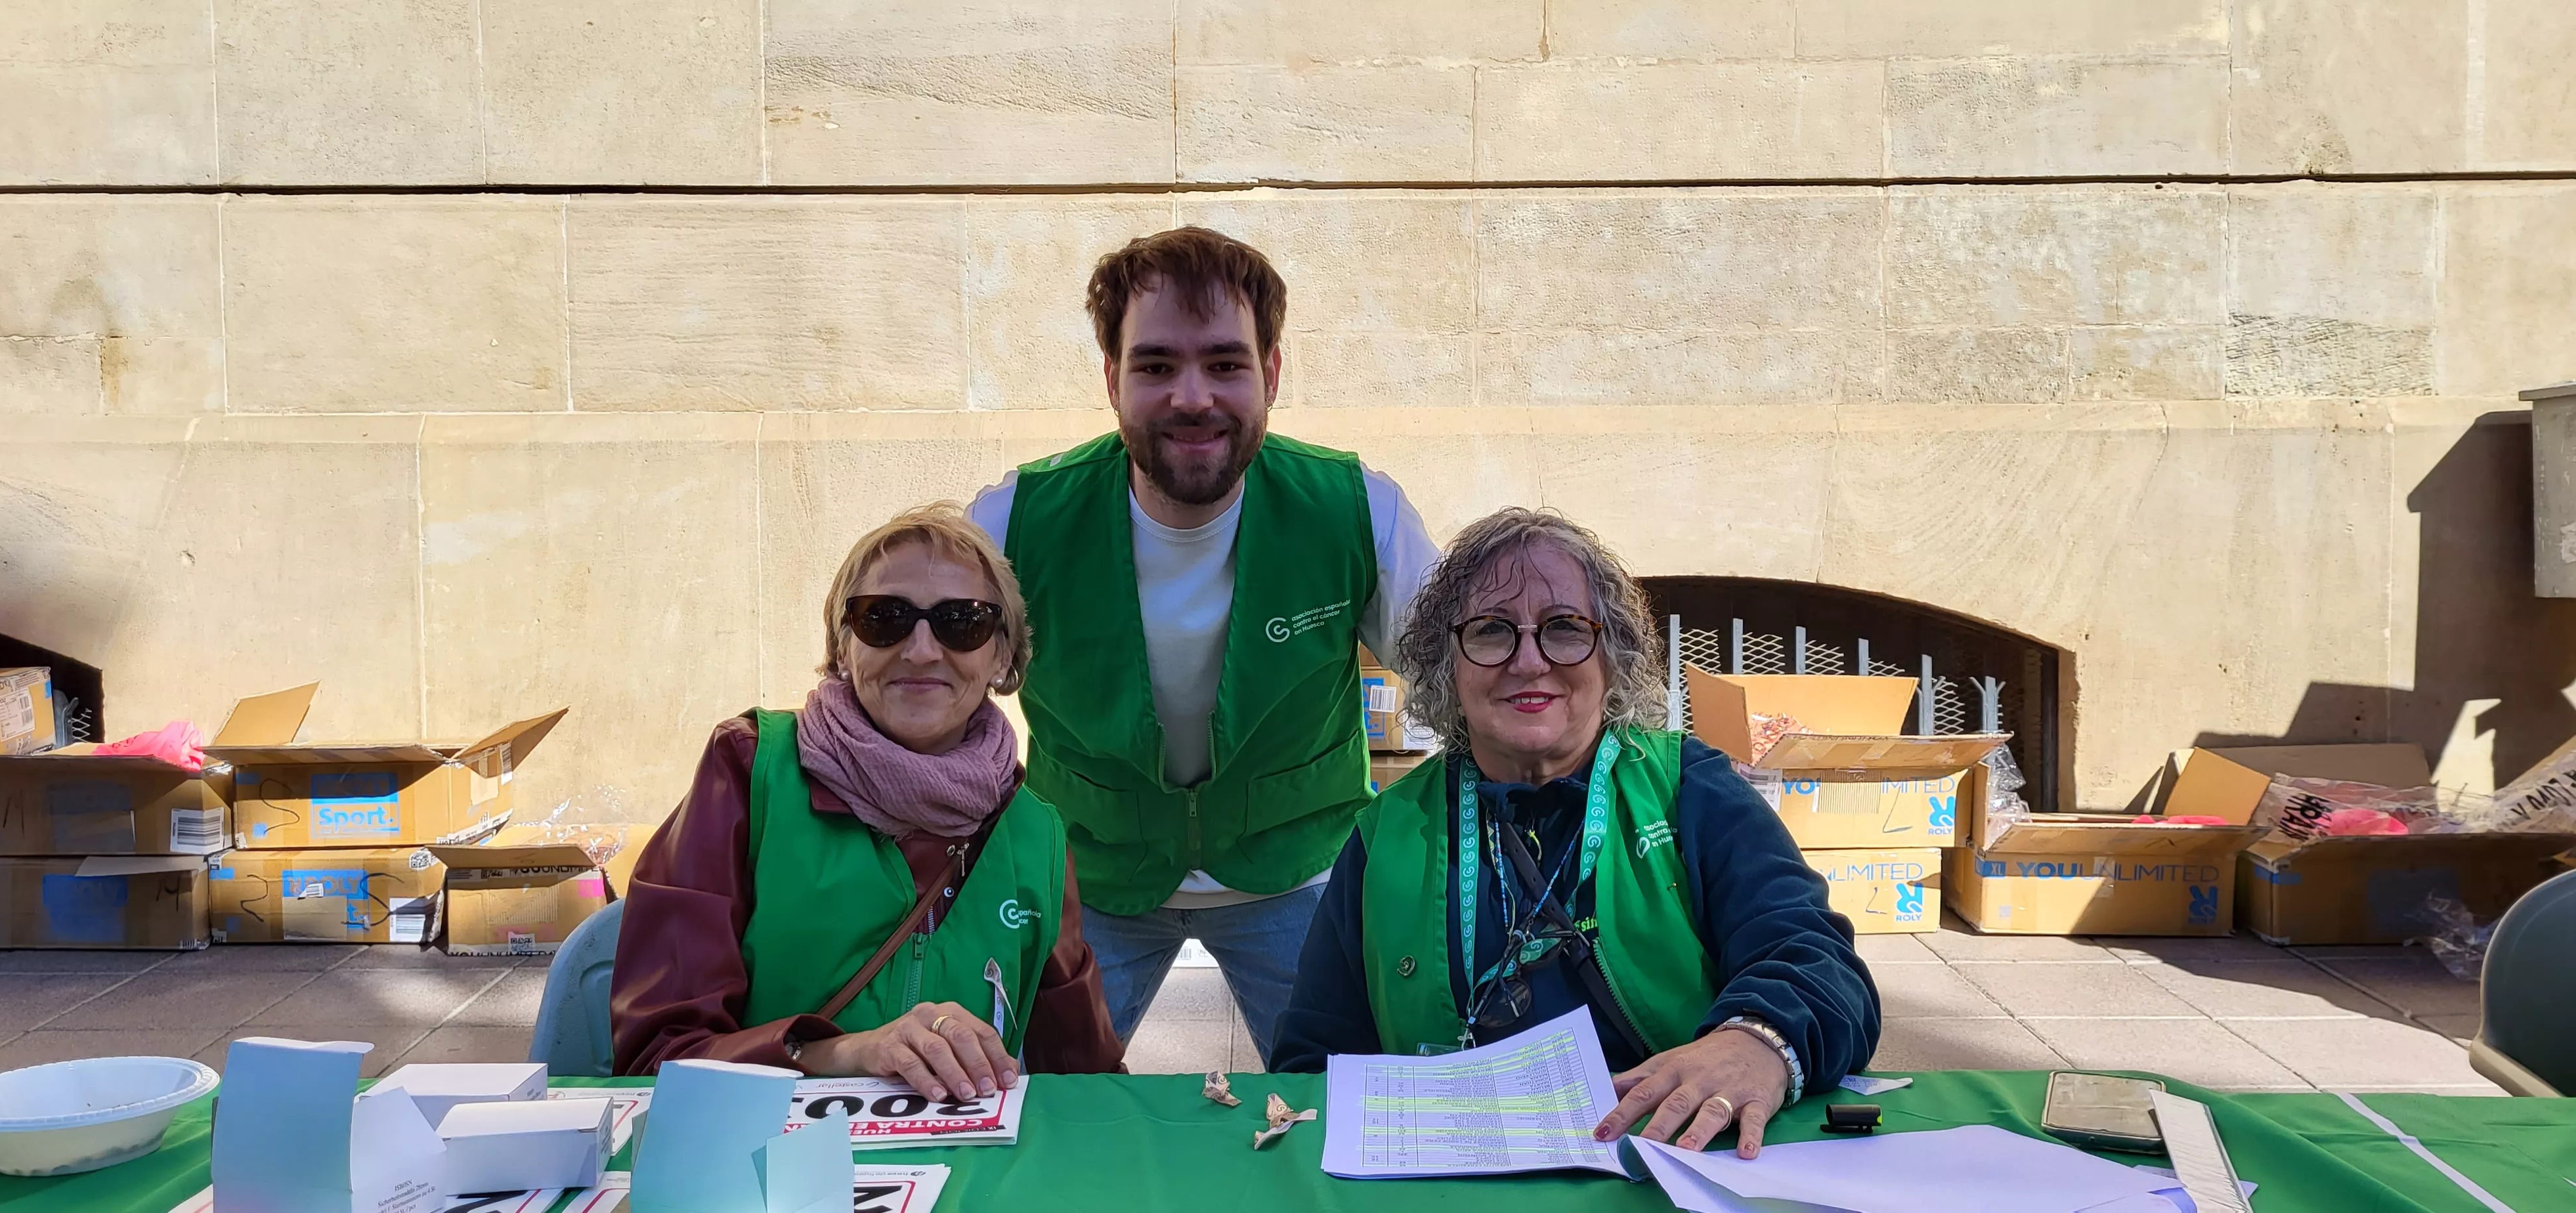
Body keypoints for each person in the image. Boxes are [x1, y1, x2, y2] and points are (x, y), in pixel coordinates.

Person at [1270, 508, 1880, 1159]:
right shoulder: (1388, 832)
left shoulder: (1687, 791)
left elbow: (1819, 964)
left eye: (1563, 629)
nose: (1528, 661)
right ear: (1446, 665)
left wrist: (1757, 1040)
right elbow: (1314, 1059)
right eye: (1490, 631)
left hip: (1665, 1161)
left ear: (1611, 656)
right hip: (1455, 1176)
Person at [968, 226, 1440, 1051]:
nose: (1192, 397)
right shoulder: (1014, 523)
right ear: (1111, 379)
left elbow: (1467, 686)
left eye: (1225, 363)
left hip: (1301, 876)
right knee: (1037, 1113)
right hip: (1089, 880)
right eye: (1155, 366)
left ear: (1273, 373)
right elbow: (923, 705)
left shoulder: (1356, 509)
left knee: (1357, 1114)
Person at [611, 504, 1124, 1095]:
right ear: (841, 647)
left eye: (963, 621)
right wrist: (850, 1053)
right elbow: (658, 1057)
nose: (923, 649)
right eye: (885, 618)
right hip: (765, 1164)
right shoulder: (750, 772)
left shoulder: (1036, 833)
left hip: (965, 1173)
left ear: (1002, 657)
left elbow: (1089, 1085)